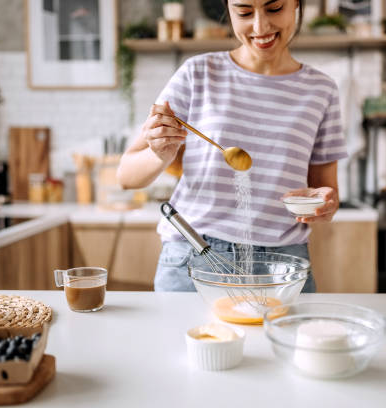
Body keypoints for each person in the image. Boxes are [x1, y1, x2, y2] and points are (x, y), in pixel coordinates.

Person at [117, 0, 348, 292]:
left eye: (274, 8)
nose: (260, 27)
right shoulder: (198, 74)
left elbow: (326, 191)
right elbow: (126, 175)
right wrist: (158, 153)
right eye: (244, 12)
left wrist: (324, 202)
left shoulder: (321, 90)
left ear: (296, 5)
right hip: (196, 256)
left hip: (283, 264)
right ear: (229, 10)